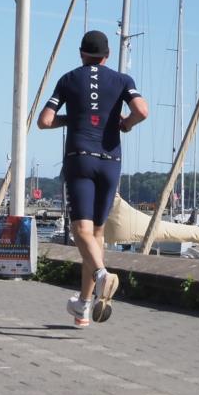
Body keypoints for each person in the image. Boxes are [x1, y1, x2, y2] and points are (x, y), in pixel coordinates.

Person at [38, 30, 149, 327]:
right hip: (111, 161)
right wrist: (125, 124)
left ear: (81, 54)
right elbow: (142, 110)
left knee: (80, 231)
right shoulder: (123, 80)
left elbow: (45, 121)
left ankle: (101, 275)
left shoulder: (69, 79)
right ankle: (84, 307)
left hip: (80, 159)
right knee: (96, 235)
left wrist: (71, 119)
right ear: (108, 55)